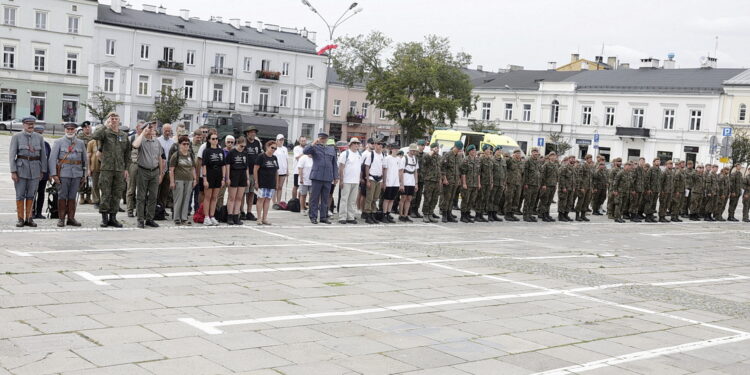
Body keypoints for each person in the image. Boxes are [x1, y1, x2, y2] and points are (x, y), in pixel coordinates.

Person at [92, 112, 131, 227]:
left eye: (116, 119)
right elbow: (95, 136)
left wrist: (126, 169)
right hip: (107, 169)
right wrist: (105, 125)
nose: (114, 121)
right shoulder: (105, 133)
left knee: (117, 193)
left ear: (119, 121)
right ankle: (104, 218)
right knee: (105, 193)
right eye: (112, 119)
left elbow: (127, 153)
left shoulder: (124, 135)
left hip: (119, 169)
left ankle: (113, 217)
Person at [9, 116, 48, 227]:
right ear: (23, 124)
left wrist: (43, 170)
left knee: (31, 195)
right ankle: (20, 219)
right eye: (28, 123)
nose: (30, 125)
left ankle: (29, 218)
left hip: (35, 169)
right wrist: (13, 171)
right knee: (20, 195)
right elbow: (12, 155)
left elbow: (43, 156)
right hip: (21, 169)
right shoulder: (17, 137)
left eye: (32, 123)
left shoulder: (39, 137)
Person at [48, 122, 87, 227]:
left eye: (72, 129)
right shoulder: (58, 142)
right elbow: (52, 159)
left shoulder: (80, 143)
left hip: (77, 174)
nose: (70, 131)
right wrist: (54, 174)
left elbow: (85, 160)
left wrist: (84, 174)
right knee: (62, 196)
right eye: (68, 129)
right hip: (63, 173)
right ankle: (61, 219)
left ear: (75, 130)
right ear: (65, 130)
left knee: (72, 196)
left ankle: (71, 218)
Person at [132, 121, 165, 229]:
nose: (151, 130)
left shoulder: (157, 142)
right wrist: (143, 133)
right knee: (141, 197)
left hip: (154, 171)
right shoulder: (141, 140)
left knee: (153, 196)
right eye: (149, 128)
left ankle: (149, 219)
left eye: (152, 128)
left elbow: (160, 158)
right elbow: (135, 145)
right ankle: (140, 219)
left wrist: (161, 173)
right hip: (143, 170)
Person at [303, 133, 339, 224]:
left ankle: (323, 217)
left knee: (325, 198)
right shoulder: (314, 147)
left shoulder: (331, 149)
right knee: (314, 198)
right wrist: (313, 143)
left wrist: (336, 177)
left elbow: (334, 164)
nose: (323, 140)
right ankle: (313, 217)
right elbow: (305, 151)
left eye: (324, 139)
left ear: (327, 139)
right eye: (321, 138)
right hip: (317, 177)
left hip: (328, 177)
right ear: (318, 139)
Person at [169, 135, 197, 225]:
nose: (186, 146)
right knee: (178, 199)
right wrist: (172, 181)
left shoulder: (190, 155)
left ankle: (184, 218)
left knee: (186, 199)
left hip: (189, 180)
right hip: (178, 179)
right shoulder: (176, 155)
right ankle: (177, 218)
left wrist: (195, 179)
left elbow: (193, 168)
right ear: (180, 145)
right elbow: (171, 169)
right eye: (184, 144)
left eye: (187, 144)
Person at [201, 133, 226, 226]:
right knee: (208, 197)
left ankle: (212, 216)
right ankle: (206, 217)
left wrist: (223, 178)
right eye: (213, 138)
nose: (215, 140)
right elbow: (204, 166)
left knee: (215, 197)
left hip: (218, 175)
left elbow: (223, 165)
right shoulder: (206, 151)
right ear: (209, 140)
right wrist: (204, 179)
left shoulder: (220, 151)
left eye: (216, 138)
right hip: (209, 174)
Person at [224, 136, 249, 225]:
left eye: (244, 146)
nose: (242, 148)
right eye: (241, 146)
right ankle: (229, 216)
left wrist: (247, 179)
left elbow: (246, 167)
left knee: (239, 198)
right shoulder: (232, 153)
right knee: (232, 197)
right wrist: (227, 178)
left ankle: (236, 216)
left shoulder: (245, 153)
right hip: (234, 175)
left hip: (242, 176)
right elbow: (227, 166)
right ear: (237, 144)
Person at [337, 137, 363, 224]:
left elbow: (359, 168)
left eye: (358, 143)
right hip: (346, 180)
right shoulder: (345, 154)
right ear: (350, 144)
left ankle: (350, 216)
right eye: (355, 143)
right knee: (344, 199)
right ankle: (342, 217)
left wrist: (359, 179)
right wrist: (341, 180)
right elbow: (341, 167)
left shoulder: (359, 154)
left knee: (352, 200)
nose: (356, 145)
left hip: (355, 181)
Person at [254, 140, 279, 225]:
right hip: (262, 182)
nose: (273, 150)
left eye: (275, 148)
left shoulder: (274, 158)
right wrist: (256, 181)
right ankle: (259, 218)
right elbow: (255, 169)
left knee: (268, 200)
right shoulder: (261, 157)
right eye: (272, 148)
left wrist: (276, 183)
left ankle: (265, 218)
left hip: (271, 182)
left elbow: (276, 171)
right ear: (267, 147)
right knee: (261, 199)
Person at [126, 121, 146, 217]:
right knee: (131, 188)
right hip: (133, 164)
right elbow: (126, 153)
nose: (142, 129)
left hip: (143, 165)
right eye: (141, 127)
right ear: (137, 127)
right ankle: (130, 209)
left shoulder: (146, 138)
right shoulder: (131, 138)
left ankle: (139, 210)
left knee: (142, 190)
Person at [439, 141, 462, 223]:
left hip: (455, 181)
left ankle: (449, 214)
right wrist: (444, 178)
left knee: (452, 198)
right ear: (454, 146)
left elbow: (459, 169)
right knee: (446, 198)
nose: (458, 150)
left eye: (459, 149)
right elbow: (442, 167)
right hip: (448, 180)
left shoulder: (458, 156)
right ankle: (444, 214)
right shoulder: (448, 155)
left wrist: (459, 179)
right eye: (458, 148)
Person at [242, 126, 262, 221]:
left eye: (254, 132)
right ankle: (241, 211)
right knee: (242, 193)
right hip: (244, 171)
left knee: (251, 193)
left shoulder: (257, 143)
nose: (253, 134)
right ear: (247, 133)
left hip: (254, 172)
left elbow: (259, 156)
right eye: (251, 132)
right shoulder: (244, 142)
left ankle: (249, 212)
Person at [32, 124, 51, 219]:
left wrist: (51, 173)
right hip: (33, 173)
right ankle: (31, 212)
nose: (39, 135)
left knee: (41, 193)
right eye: (37, 133)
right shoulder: (31, 144)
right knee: (32, 193)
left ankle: (39, 212)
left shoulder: (46, 144)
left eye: (41, 133)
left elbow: (50, 160)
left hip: (44, 173)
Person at [380, 144, 401, 223]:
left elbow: (400, 171)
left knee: (392, 199)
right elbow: (384, 170)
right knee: (386, 199)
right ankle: (384, 214)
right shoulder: (387, 158)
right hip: (389, 182)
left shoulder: (399, 159)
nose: (396, 150)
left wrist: (400, 182)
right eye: (395, 149)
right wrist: (384, 182)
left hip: (396, 182)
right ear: (391, 150)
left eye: (397, 149)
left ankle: (388, 214)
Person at [421, 143, 442, 223]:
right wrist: (432, 152)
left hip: (437, 180)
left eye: (438, 148)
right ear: (432, 148)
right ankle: (425, 214)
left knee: (434, 199)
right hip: (429, 180)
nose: (437, 149)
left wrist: (440, 180)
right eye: (436, 148)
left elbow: (440, 169)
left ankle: (430, 213)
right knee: (428, 198)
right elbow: (425, 161)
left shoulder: (439, 157)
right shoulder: (428, 155)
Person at [460, 144, 481, 223]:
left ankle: (467, 214)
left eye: (475, 150)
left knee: (471, 200)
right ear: (469, 152)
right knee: (465, 200)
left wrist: (479, 183)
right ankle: (463, 216)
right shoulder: (465, 160)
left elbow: (478, 173)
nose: (474, 152)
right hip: (467, 184)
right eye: (472, 150)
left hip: (475, 184)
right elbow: (463, 173)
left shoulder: (477, 160)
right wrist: (464, 183)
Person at [398, 143, 420, 222]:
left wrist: (416, 183)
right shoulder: (404, 158)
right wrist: (401, 184)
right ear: (409, 150)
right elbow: (401, 171)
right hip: (405, 181)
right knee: (403, 198)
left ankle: (406, 215)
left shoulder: (415, 159)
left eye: (415, 150)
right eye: (412, 150)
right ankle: (401, 215)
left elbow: (415, 171)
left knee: (409, 199)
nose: (413, 152)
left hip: (412, 182)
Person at [156, 123, 174, 209]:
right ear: (162, 130)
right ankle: (155, 208)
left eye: (169, 131)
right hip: (159, 168)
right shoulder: (158, 140)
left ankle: (162, 208)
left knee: (165, 190)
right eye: (165, 131)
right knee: (157, 189)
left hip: (168, 169)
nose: (167, 132)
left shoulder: (173, 142)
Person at [538, 152, 558, 222]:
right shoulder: (546, 165)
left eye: (554, 156)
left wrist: (555, 184)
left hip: (553, 185)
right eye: (551, 156)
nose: (553, 157)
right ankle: (543, 215)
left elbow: (556, 176)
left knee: (549, 201)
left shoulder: (555, 165)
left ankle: (547, 214)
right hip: (547, 185)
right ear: (549, 157)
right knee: (544, 201)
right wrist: (543, 184)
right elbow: (542, 175)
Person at [488, 147, 506, 222]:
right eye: (498, 150)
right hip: (494, 183)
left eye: (500, 150)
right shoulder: (491, 160)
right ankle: (490, 214)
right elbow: (490, 172)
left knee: (497, 199)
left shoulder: (503, 161)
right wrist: (491, 182)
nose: (499, 152)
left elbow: (505, 172)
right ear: (495, 152)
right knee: (491, 199)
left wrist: (504, 182)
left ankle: (494, 214)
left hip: (501, 183)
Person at [476, 144, 494, 222]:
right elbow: (478, 172)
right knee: (480, 198)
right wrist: (479, 183)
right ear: (484, 151)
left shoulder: (490, 159)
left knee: (485, 199)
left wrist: (491, 182)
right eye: (487, 149)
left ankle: (481, 214)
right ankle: (477, 215)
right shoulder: (481, 159)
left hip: (488, 183)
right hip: (482, 182)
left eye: (489, 149)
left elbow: (491, 172)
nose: (489, 151)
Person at [77, 121, 94, 205]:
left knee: (90, 179)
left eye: (89, 127)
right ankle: (82, 196)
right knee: (82, 178)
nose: (87, 128)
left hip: (91, 160)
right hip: (82, 160)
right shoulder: (79, 137)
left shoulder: (94, 137)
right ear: (83, 129)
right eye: (85, 127)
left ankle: (88, 196)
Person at [409, 140, 427, 218]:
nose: (423, 147)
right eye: (421, 145)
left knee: (419, 196)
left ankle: (416, 210)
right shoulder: (414, 155)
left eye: (424, 145)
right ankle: (411, 210)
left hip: (422, 178)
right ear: (418, 145)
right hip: (414, 178)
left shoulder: (426, 155)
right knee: (414, 195)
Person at [504, 149, 523, 221]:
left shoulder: (521, 162)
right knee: (509, 198)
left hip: (518, 183)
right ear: (514, 154)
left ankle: (512, 214)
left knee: (516, 199)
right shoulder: (510, 161)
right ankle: (507, 214)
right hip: (510, 183)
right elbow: (504, 167)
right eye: (517, 153)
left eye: (519, 153)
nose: (518, 155)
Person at [643, 158, 662, 222]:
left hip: (656, 190)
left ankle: (651, 216)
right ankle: (647, 217)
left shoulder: (659, 170)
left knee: (654, 204)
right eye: (656, 161)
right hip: (651, 190)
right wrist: (648, 189)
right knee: (649, 203)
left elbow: (660, 181)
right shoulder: (651, 169)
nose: (658, 162)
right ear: (653, 162)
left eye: (659, 161)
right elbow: (647, 179)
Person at [273, 134, 288, 204]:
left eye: (282, 140)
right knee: (275, 187)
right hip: (276, 170)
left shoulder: (285, 149)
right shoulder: (274, 148)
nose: (281, 141)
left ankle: (278, 201)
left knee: (280, 187)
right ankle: (274, 202)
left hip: (283, 170)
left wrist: (287, 170)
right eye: (280, 140)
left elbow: (286, 160)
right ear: (277, 140)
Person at [297, 151, 313, 216]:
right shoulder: (303, 158)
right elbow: (300, 168)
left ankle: (310, 209)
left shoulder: (315, 158)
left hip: (312, 180)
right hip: (304, 180)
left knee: (311, 195)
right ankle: (302, 209)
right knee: (303, 195)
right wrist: (301, 178)